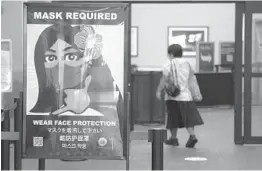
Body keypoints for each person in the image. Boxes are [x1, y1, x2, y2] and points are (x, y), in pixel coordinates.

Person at [26, 24, 124, 157]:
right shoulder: (41, 109)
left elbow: (113, 143)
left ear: (86, 61)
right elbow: (33, 148)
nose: (60, 66)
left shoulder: (102, 96)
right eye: (51, 58)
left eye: (70, 57)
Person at [156, 44, 204, 148]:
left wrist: (158, 91)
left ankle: (174, 138)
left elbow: (164, 79)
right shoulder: (188, 63)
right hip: (186, 96)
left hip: (173, 96)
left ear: (171, 54)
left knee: (173, 118)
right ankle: (192, 136)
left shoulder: (168, 64)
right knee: (188, 118)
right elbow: (191, 77)